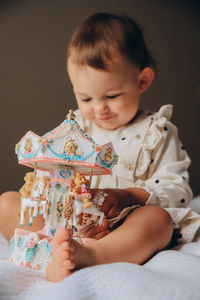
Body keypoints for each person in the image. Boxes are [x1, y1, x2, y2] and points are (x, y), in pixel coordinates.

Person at [0, 12, 199, 282]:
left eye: (112, 95)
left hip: (124, 225)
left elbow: (178, 189)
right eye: (85, 98)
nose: (99, 108)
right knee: (6, 203)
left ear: (142, 81)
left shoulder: (157, 131)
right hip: (71, 221)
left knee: (158, 221)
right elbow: (51, 174)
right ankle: (51, 247)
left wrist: (129, 196)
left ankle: (92, 256)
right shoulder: (74, 132)